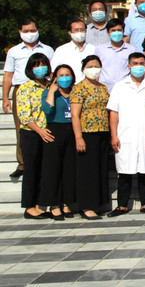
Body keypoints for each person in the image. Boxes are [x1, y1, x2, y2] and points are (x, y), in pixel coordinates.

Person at [3, 20, 54, 178]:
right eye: (26, 31)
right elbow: (8, 75)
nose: (30, 34)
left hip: (44, 89)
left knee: (46, 124)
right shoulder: (14, 51)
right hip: (22, 90)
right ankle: (23, 163)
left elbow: (52, 72)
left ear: (38, 30)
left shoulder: (48, 50)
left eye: (32, 30)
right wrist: (5, 97)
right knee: (22, 127)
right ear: (20, 32)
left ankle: (45, 159)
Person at [106, 53, 145, 217]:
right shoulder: (120, 87)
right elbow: (114, 113)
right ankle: (122, 205)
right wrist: (114, 135)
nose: (138, 66)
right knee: (124, 172)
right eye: (135, 63)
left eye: (141, 63)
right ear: (129, 66)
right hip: (125, 135)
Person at [70, 55, 110, 219]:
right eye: (90, 66)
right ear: (83, 69)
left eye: (97, 66)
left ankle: (98, 203)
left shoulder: (103, 88)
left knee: (100, 169)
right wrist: (78, 137)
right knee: (88, 170)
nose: (94, 69)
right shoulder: (79, 88)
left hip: (103, 132)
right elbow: (75, 115)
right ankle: (86, 206)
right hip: (87, 132)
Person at [16, 54, 52, 219]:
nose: (40, 68)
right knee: (31, 170)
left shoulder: (50, 86)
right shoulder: (25, 87)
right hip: (32, 133)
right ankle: (29, 207)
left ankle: (40, 204)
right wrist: (39, 130)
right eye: (36, 65)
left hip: (48, 132)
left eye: (43, 64)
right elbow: (24, 115)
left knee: (44, 170)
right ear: (30, 69)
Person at [39, 64, 76, 219]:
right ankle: (54, 204)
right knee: (52, 169)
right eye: (61, 75)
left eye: (67, 75)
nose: (64, 78)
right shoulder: (49, 92)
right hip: (55, 131)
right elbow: (47, 110)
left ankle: (66, 203)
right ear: (55, 78)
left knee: (69, 169)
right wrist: (52, 92)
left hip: (72, 131)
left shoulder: (75, 92)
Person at [95, 19, 137, 92]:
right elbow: (96, 68)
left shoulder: (131, 50)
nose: (116, 33)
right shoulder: (100, 49)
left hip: (125, 89)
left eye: (119, 30)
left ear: (123, 32)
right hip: (104, 89)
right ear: (108, 33)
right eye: (113, 30)